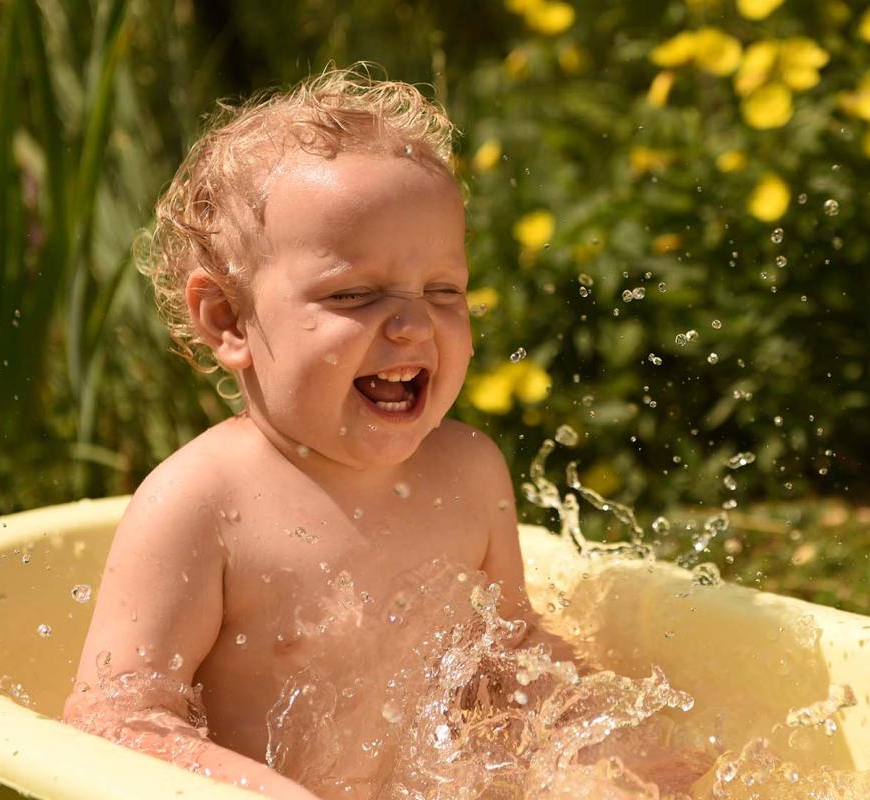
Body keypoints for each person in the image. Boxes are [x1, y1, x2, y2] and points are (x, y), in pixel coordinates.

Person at [62, 67, 579, 799]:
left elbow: (510, 665)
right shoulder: (201, 504)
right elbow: (113, 719)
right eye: (354, 294)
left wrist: (613, 755)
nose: (412, 324)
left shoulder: (469, 472)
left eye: (443, 290)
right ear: (228, 319)